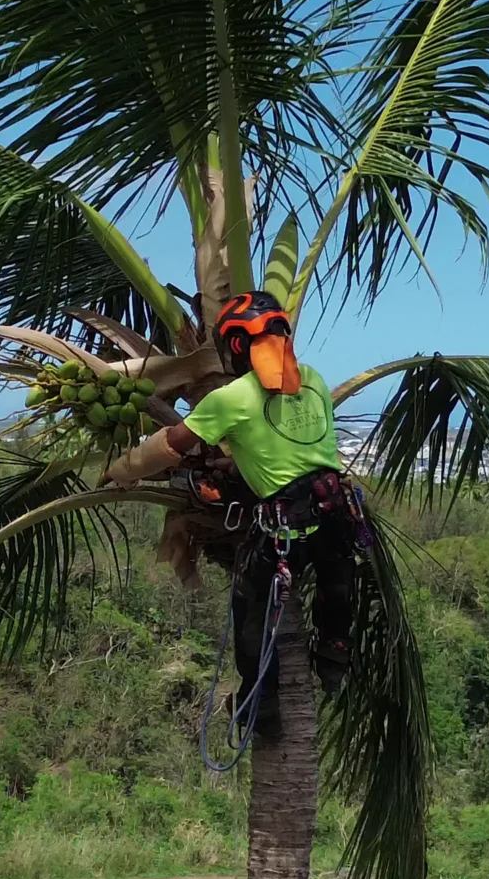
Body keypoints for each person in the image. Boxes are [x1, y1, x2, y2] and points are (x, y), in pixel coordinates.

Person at [102, 290, 362, 733]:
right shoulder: (314, 379)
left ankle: (261, 705)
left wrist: (122, 470)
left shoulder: (231, 398)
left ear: (235, 346)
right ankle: (334, 656)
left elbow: (169, 447)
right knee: (337, 580)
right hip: (336, 515)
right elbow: (294, 450)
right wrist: (240, 461)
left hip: (285, 529)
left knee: (251, 607)